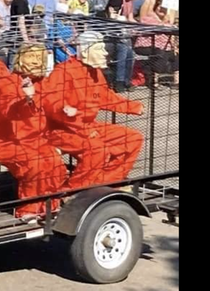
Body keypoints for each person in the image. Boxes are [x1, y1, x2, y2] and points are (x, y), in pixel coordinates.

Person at [42, 31, 144, 191]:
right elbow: (51, 102)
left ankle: (107, 182)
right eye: (100, 49)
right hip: (62, 130)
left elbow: (105, 97)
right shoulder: (63, 71)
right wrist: (71, 116)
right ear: (86, 51)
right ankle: (73, 192)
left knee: (133, 139)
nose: (105, 53)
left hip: (87, 126)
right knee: (97, 150)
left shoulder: (95, 71)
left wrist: (133, 107)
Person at [0, 44, 66, 221]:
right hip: (6, 141)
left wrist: (65, 109)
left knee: (55, 165)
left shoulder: (41, 83)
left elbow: (52, 104)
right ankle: (28, 209)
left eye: (39, 58)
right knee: (34, 165)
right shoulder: (7, 83)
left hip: (35, 139)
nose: (35, 62)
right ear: (20, 58)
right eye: (31, 57)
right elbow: (6, 111)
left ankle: (49, 206)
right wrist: (26, 99)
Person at [136, 2, 178, 89]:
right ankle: (154, 81)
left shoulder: (168, 21)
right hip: (146, 45)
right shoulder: (149, 18)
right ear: (156, 7)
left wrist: (175, 47)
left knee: (176, 55)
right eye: (160, 7)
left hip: (164, 46)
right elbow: (152, 29)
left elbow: (172, 34)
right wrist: (163, 22)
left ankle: (176, 82)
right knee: (160, 53)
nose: (162, 9)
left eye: (164, 8)